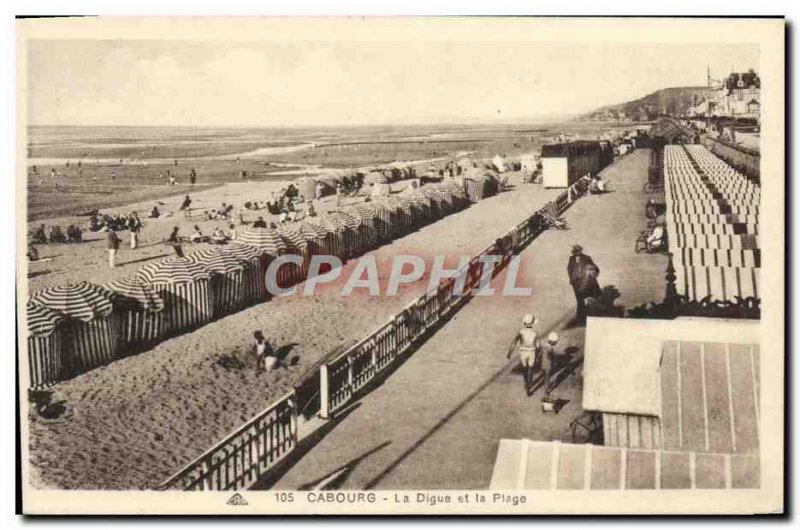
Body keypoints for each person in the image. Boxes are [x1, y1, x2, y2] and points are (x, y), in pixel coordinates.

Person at [507, 314, 540, 394]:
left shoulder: (521, 332)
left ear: (524, 323)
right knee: (531, 369)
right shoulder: (534, 333)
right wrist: (538, 354)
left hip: (523, 352)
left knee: (525, 369)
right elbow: (537, 345)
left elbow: (514, 342)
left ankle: (526, 384)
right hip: (532, 351)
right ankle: (530, 385)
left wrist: (510, 352)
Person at [567, 244, 599, 323]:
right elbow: (569, 269)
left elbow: (595, 268)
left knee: (587, 298)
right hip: (575, 282)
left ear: (581, 250)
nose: (577, 252)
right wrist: (571, 278)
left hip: (585, 282)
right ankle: (580, 317)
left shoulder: (587, 258)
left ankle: (588, 316)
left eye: (578, 251)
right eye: (575, 251)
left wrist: (592, 276)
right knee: (579, 299)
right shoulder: (571, 259)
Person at [540, 332, 559, 399]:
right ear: (552, 342)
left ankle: (546, 389)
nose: (556, 343)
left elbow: (540, 354)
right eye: (555, 342)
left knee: (545, 377)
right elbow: (550, 356)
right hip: (548, 365)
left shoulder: (544, 346)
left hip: (543, 364)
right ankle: (546, 391)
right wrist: (554, 359)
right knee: (547, 379)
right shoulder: (550, 348)